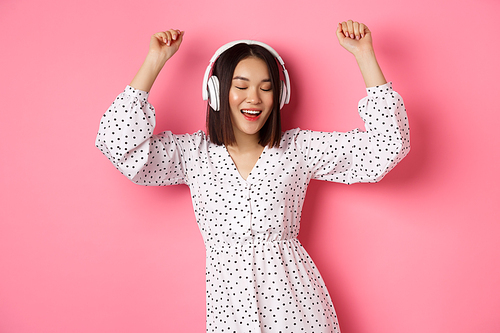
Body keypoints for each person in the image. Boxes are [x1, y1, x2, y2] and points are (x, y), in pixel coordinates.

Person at [96, 20, 410, 333]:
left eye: (266, 88)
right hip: (229, 314)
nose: (254, 99)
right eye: (242, 86)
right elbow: (117, 145)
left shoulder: (298, 149)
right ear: (216, 92)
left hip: (298, 309)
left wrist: (364, 54)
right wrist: (155, 60)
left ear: (280, 95)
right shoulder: (192, 154)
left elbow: (386, 148)